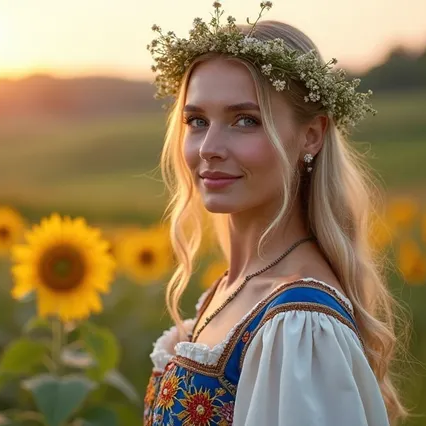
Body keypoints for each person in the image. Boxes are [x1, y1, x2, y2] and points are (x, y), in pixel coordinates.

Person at [143, 2, 407, 425]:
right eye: (196, 120)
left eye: (245, 120)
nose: (209, 147)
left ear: (311, 135)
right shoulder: (232, 289)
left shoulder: (300, 323)